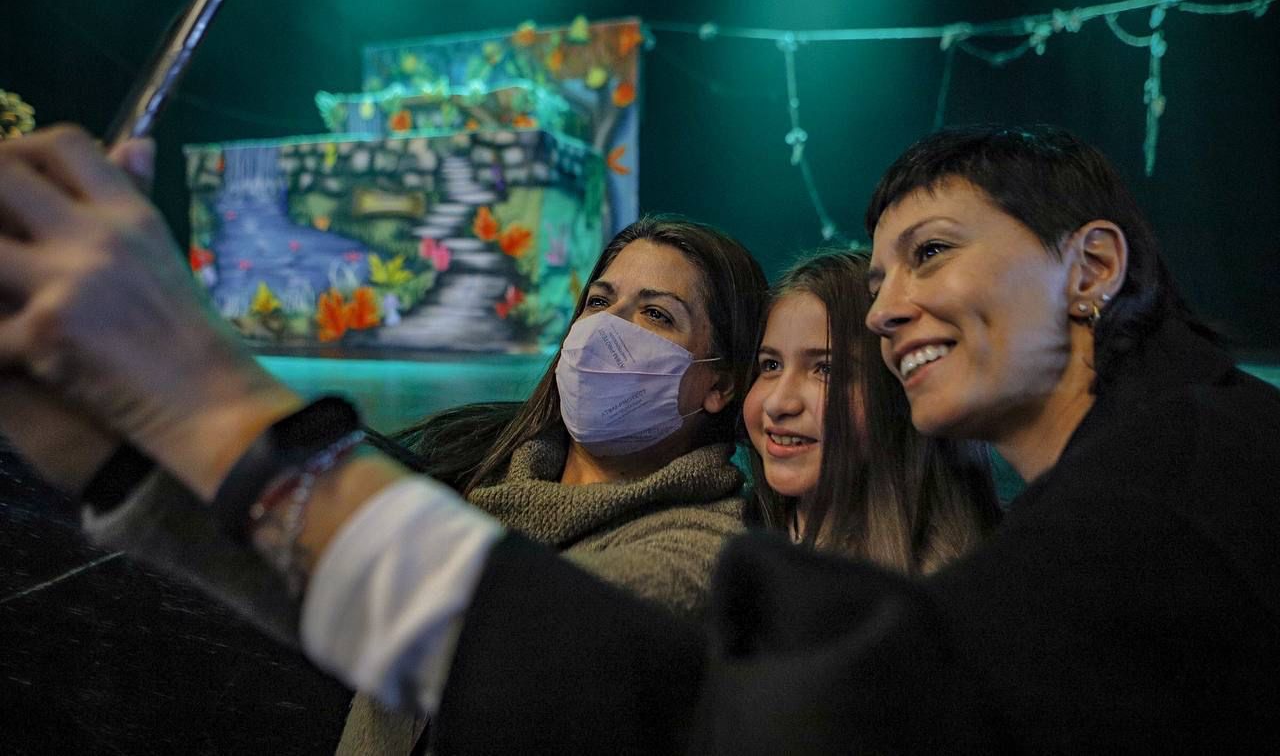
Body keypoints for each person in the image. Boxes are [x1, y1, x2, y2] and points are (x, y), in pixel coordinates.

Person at [3, 124, 1278, 752]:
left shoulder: (1182, 486)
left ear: (1088, 268)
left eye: (930, 254)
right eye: (880, 270)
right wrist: (107, 453)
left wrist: (215, 407)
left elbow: (755, 721)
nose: (888, 306)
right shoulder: (1137, 475)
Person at [742, 248, 999, 566]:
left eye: (827, 369)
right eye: (771, 365)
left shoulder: (975, 573)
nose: (777, 403)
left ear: (901, 391)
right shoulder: (727, 538)